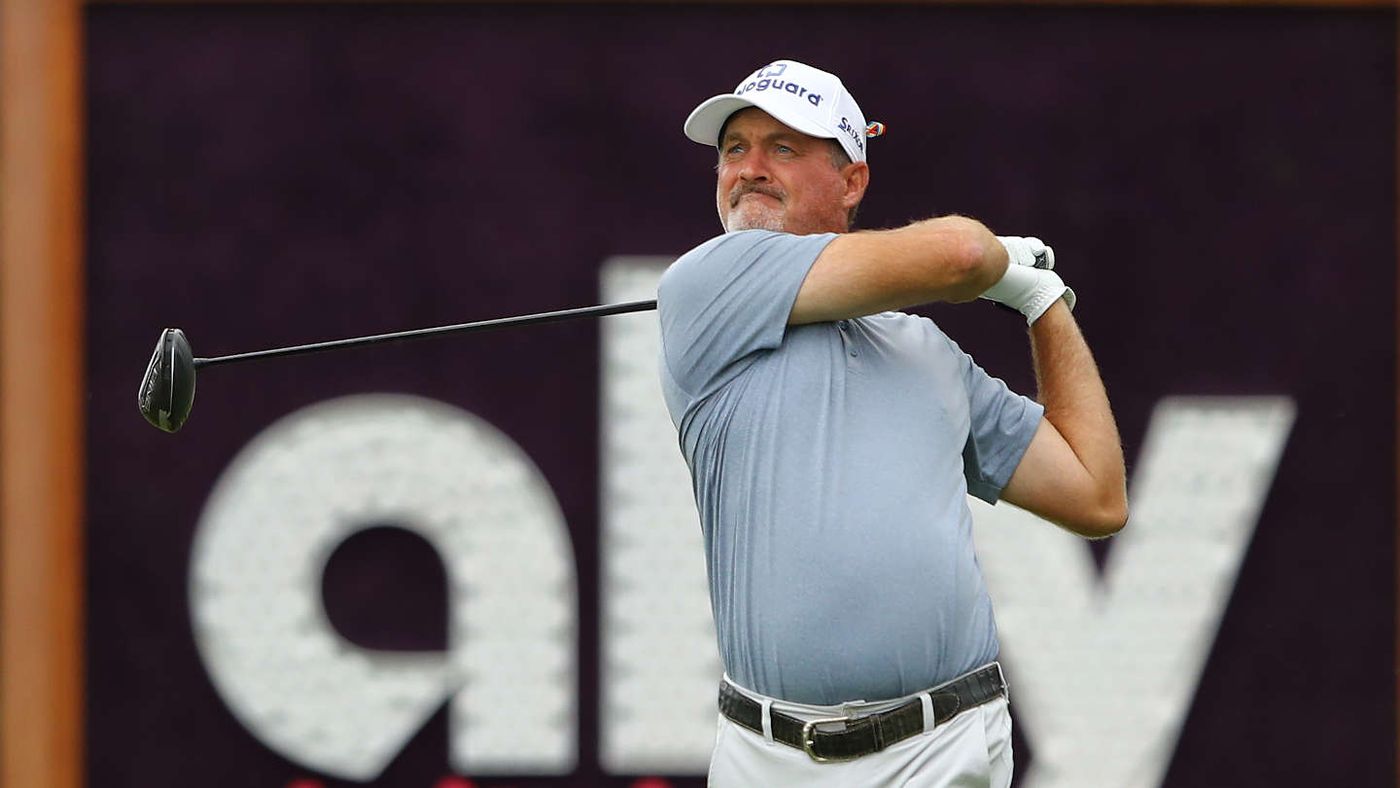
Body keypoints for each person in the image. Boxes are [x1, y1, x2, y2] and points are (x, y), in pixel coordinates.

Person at [655, 59, 1128, 786]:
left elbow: (1095, 495)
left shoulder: (925, 350)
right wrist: (996, 261)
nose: (748, 169)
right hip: (766, 758)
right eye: (734, 149)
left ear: (852, 183)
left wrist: (1043, 302)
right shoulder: (707, 284)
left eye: (783, 148)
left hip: (941, 749)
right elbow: (963, 254)